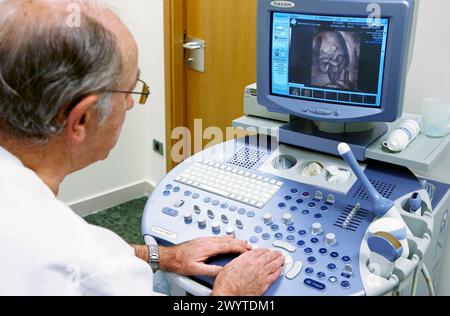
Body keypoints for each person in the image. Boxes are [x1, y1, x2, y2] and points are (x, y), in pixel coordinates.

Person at [0, 0, 284, 296]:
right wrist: (231, 293)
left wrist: (165, 256)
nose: (131, 103)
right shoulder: (79, 267)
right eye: (130, 89)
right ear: (81, 118)